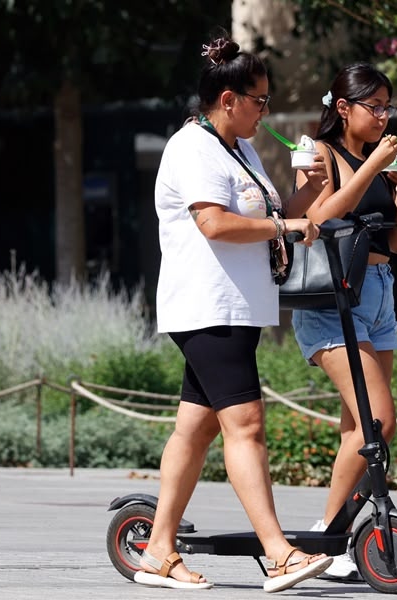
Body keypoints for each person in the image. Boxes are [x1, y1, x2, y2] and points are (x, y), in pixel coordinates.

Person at [139, 36, 333, 592]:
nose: (265, 111)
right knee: (245, 425)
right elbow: (215, 224)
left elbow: (276, 214)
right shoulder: (191, 147)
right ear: (229, 99)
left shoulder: (240, 147)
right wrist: (284, 226)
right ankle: (278, 554)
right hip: (206, 306)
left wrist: (309, 188)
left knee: (194, 431)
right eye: (260, 100)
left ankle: (157, 550)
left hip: (237, 307)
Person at [292, 62, 397, 580]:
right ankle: (331, 535)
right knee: (378, 423)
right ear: (342, 108)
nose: (384, 116)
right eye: (376, 106)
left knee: (357, 425)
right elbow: (317, 218)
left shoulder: (376, 158)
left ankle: (334, 541)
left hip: (380, 292)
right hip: (334, 299)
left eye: (389, 106)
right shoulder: (319, 153)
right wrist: (372, 168)